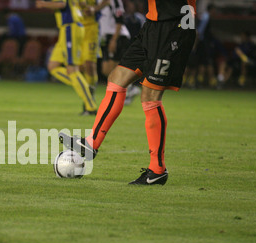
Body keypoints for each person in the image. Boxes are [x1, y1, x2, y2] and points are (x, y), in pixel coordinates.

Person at [59, 0, 197, 185]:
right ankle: (91, 143)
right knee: (117, 78)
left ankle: (157, 170)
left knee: (150, 95)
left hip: (174, 26)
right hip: (154, 24)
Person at [36, 0, 98, 115]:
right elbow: (83, 4)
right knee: (52, 66)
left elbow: (61, 4)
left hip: (71, 27)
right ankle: (82, 84)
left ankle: (91, 107)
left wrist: (44, 4)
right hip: (67, 28)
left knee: (72, 68)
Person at [79, 0, 111, 115]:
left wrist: (95, 9)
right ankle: (87, 98)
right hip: (76, 27)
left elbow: (107, 1)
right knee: (80, 67)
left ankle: (90, 100)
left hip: (91, 28)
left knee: (89, 64)